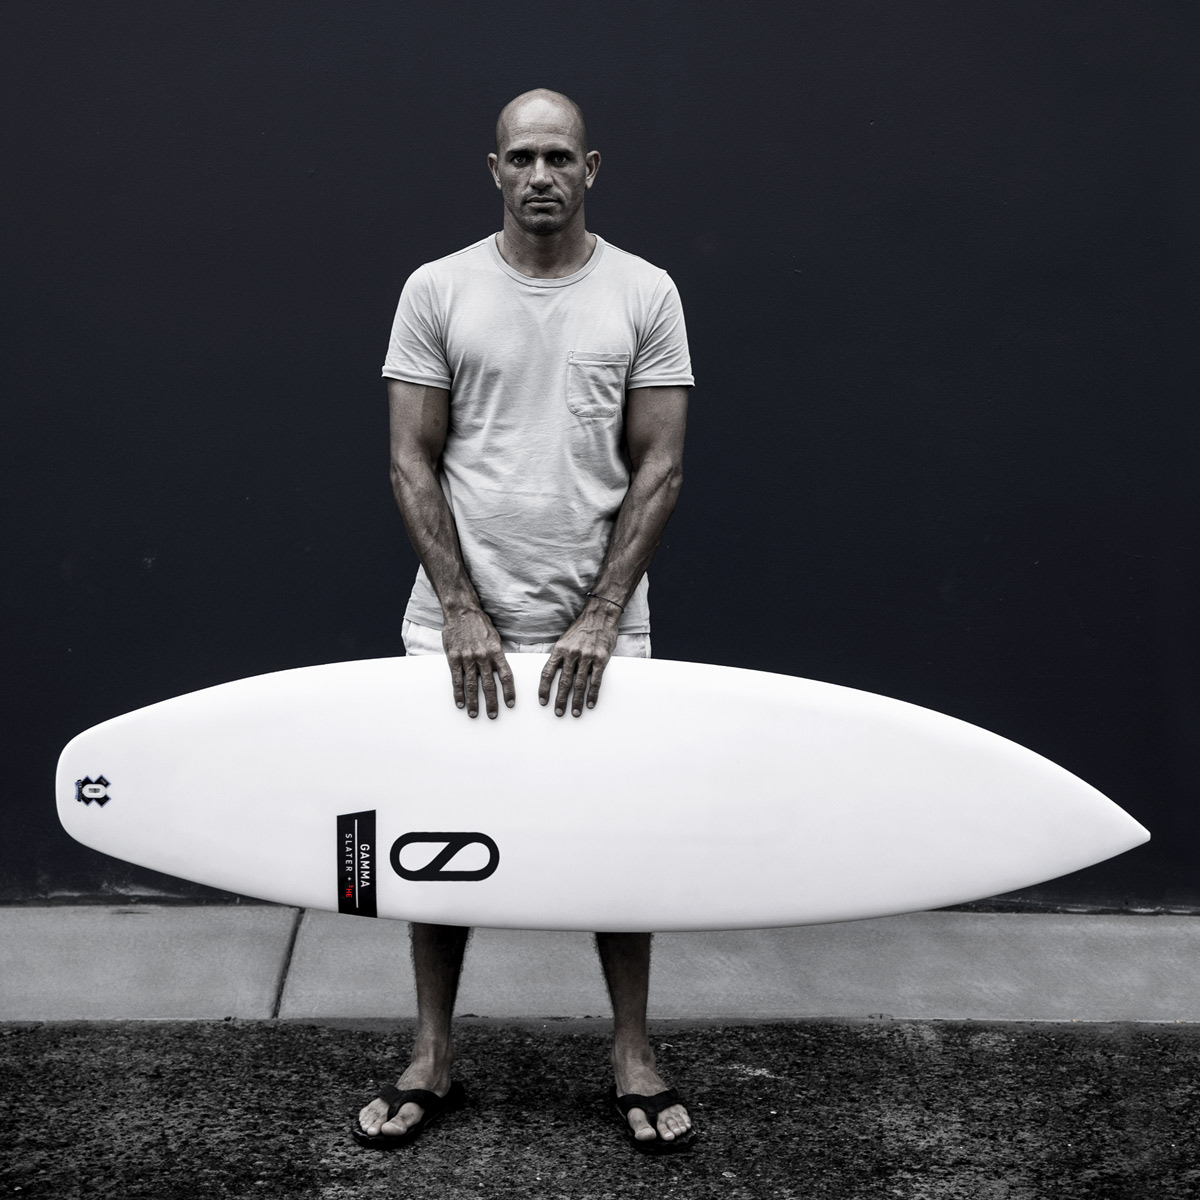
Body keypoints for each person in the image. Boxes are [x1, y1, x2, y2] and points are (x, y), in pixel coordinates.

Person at [354, 88, 695, 1154]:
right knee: (435, 837)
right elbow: (410, 458)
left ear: (591, 168)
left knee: (617, 839)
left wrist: (602, 614)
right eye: (521, 157)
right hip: (457, 626)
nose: (539, 174)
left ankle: (632, 1051)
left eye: (558, 156)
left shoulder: (643, 292)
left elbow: (661, 464)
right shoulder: (437, 288)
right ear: (493, 168)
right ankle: (432, 1053)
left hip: (604, 629)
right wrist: (461, 607)